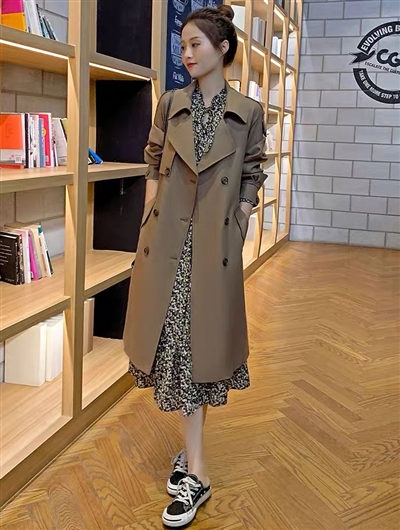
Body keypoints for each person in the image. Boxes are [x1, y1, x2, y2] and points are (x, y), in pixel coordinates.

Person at [123, 4, 268, 528]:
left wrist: (242, 216)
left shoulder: (248, 112)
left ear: (222, 49)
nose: (185, 55)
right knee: (183, 354)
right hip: (167, 245)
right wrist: (146, 226)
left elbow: (253, 169)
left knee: (198, 353)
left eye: (195, 45)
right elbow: (154, 162)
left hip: (213, 245)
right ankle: (194, 458)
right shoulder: (170, 103)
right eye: (182, 46)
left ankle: (198, 473)